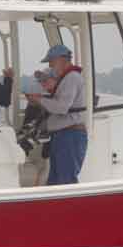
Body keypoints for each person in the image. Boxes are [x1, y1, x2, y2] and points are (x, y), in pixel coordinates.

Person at [25, 44, 87, 185]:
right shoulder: (67, 78)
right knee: (55, 182)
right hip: (63, 135)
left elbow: (61, 107)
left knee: (65, 181)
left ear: (62, 59)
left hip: (70, 136)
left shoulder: (72, 78)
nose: (50, 64)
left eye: (51, 60)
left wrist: (39, 100)